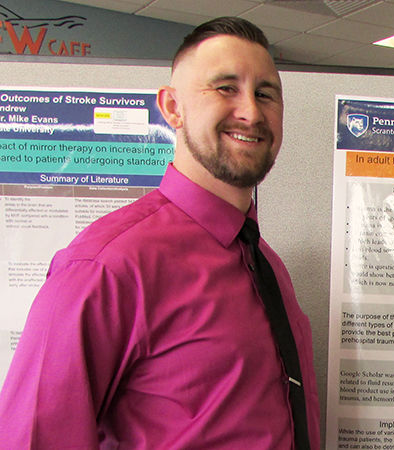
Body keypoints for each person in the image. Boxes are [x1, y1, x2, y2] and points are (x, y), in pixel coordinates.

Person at [0, 17, 319, 449]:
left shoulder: (267, 264)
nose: (251, 111)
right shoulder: (106, 267)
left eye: (265, 93)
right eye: (226, 87)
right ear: (172, 108)